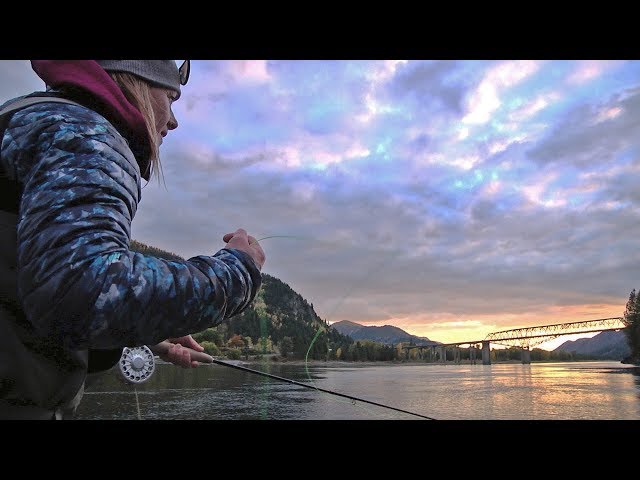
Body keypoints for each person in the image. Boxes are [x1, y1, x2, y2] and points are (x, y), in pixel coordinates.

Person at [0, 60, 266, 419]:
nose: (173, 120)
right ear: (136, 80)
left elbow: (23, 283)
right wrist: (238, 271)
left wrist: (143, 332)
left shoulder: (32, 120)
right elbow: (80, 291)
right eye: (170, 98)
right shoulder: (85, 135)